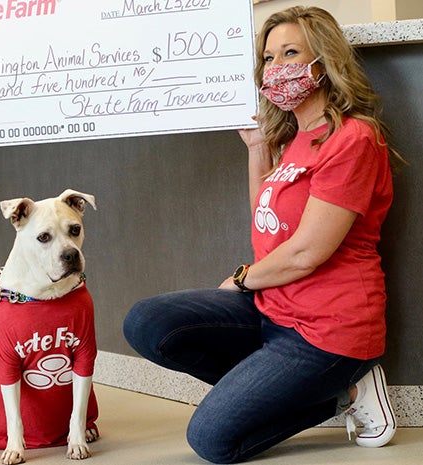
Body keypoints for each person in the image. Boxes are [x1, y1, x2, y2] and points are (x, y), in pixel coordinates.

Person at [123, 6, 401, 464]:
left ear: (324, 62)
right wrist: (258, 149)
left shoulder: (353, 138)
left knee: (212, 441)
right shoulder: (297, 137)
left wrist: (243, 278)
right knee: (146, 323)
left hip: (327, 332)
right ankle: (289, 386)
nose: (276, 68)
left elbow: (306, 253)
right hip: (273, 311)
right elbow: (266, 219)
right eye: (269, 58)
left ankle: (342, 389)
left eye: (290, 53)